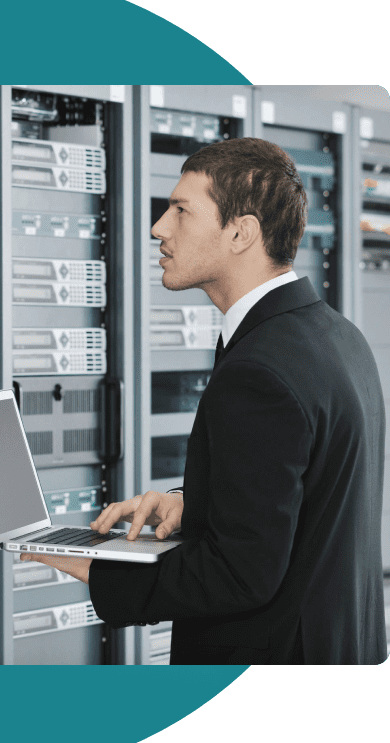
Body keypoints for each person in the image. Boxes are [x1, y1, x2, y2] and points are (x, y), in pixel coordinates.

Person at [21, 137, 387, 665]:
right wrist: (194, 502)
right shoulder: (336, 336)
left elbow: (241, 575)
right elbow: (306, 500)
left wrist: (103, 569)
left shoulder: (259, 370)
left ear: (241, 233)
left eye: (181, 211)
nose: (158, 228)